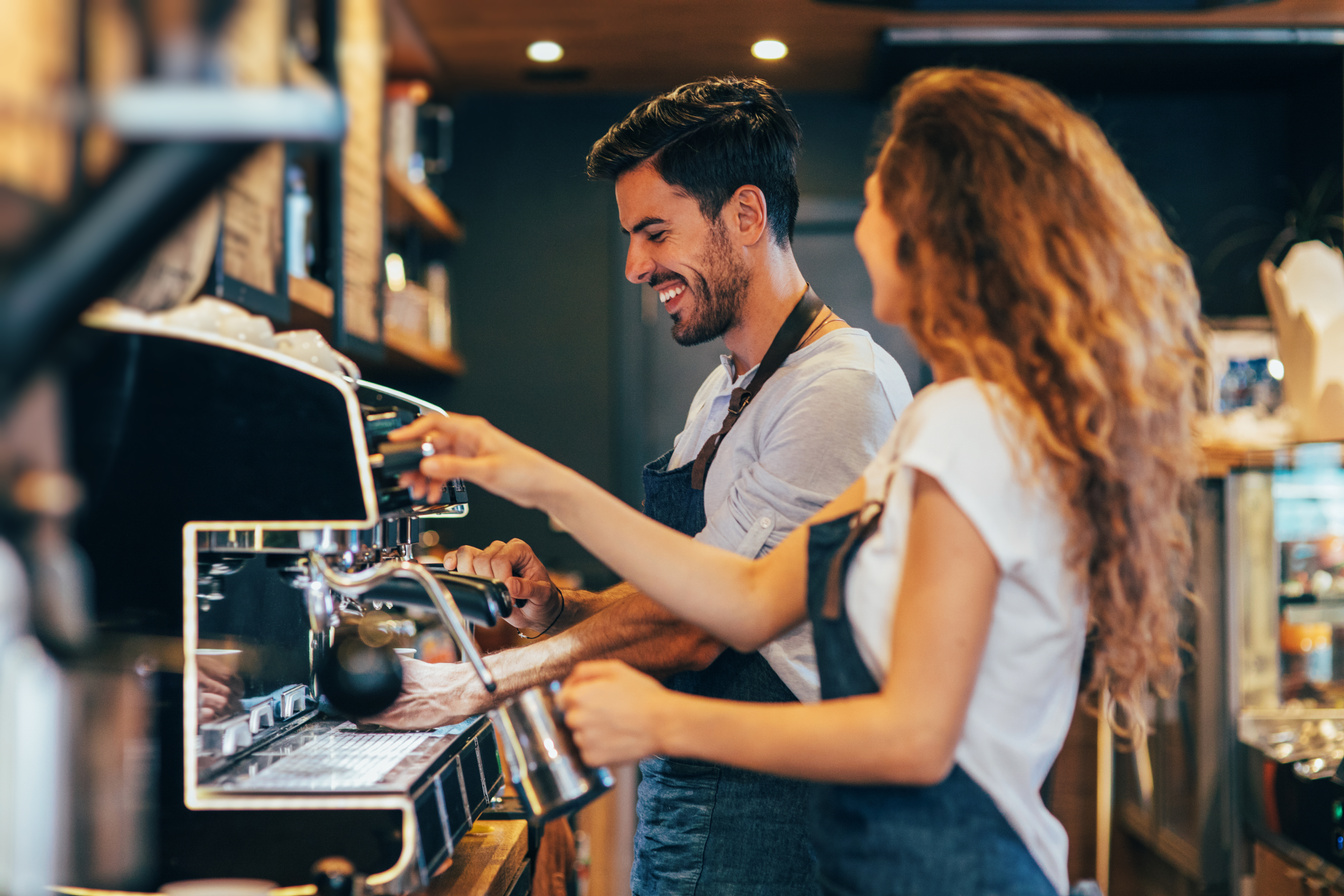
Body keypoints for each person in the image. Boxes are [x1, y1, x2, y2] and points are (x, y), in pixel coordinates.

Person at [383, 67, 1205, 895]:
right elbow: (744, 596)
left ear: (943, 228)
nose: (858, 225)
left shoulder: (966, 426)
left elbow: (916, 736)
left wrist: (664, 717)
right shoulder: (938, 422)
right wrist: (529, 481)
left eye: (880, 199)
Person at [367, 75, 914, 895]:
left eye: (654, 232)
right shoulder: (727, 388)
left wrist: (476, 683)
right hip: (697, 794)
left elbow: (708, 628)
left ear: (746, 216)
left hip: (775, 815)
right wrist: (558, 611)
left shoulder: (839, 388)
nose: (633, 265)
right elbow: (696, 588)